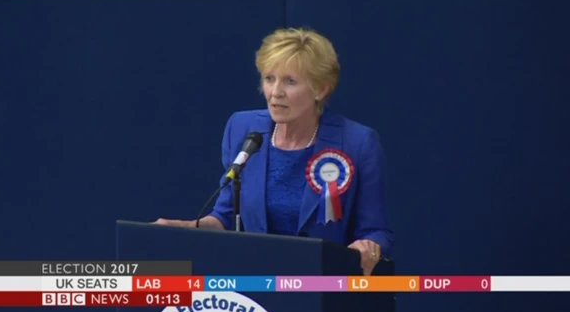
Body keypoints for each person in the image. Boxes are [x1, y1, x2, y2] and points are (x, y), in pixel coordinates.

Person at [155, 28, 393, 275]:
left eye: (290, 81)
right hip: (257, 287)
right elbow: (226, 217)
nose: (275, 92)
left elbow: (376, 231)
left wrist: (369, 246)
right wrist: (185, 227)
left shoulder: (357, 142)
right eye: (269, 79)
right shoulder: (241, 128)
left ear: (321, 89)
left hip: (322, 287)